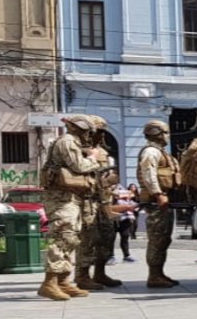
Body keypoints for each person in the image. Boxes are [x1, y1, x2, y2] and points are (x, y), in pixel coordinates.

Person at [37, 115, 102, 301]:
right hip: (61, 199)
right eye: (88, 131)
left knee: (72, 238)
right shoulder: (67, 141)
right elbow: (79, 165)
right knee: (63, 236)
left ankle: (63, 281)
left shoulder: (73, 142)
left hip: (71, 197)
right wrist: (93, 158)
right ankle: (49, 282)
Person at [75, 115, 126, 290]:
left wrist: (110, 183)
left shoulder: (102, 152)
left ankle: (100, 272)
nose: (100, 135)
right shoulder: (79, 151)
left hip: (104, 202)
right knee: (88, 239)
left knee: (107, 236)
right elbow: (80, 177)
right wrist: (104, 181)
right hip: (87, 202)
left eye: (102, 132)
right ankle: (82, 275)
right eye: (98, 131)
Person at [137, 120, 181, 288]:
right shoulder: (151, 152)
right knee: (157, 239)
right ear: (158, 133)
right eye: (165, 132)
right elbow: (149, 174)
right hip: (156, 201)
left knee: (163, 239)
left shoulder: (160, 152)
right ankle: (154, 275)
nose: (168, 136)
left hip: (161, 199)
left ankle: (159, 273)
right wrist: (158, 194)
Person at [114, 184, 138, 262]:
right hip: (113, 218)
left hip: (125, 219)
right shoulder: (107, 189)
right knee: (110, 239)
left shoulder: (123, 191)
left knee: (125, 236)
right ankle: (110, 256)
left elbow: (133, 204)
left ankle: (126, 255)